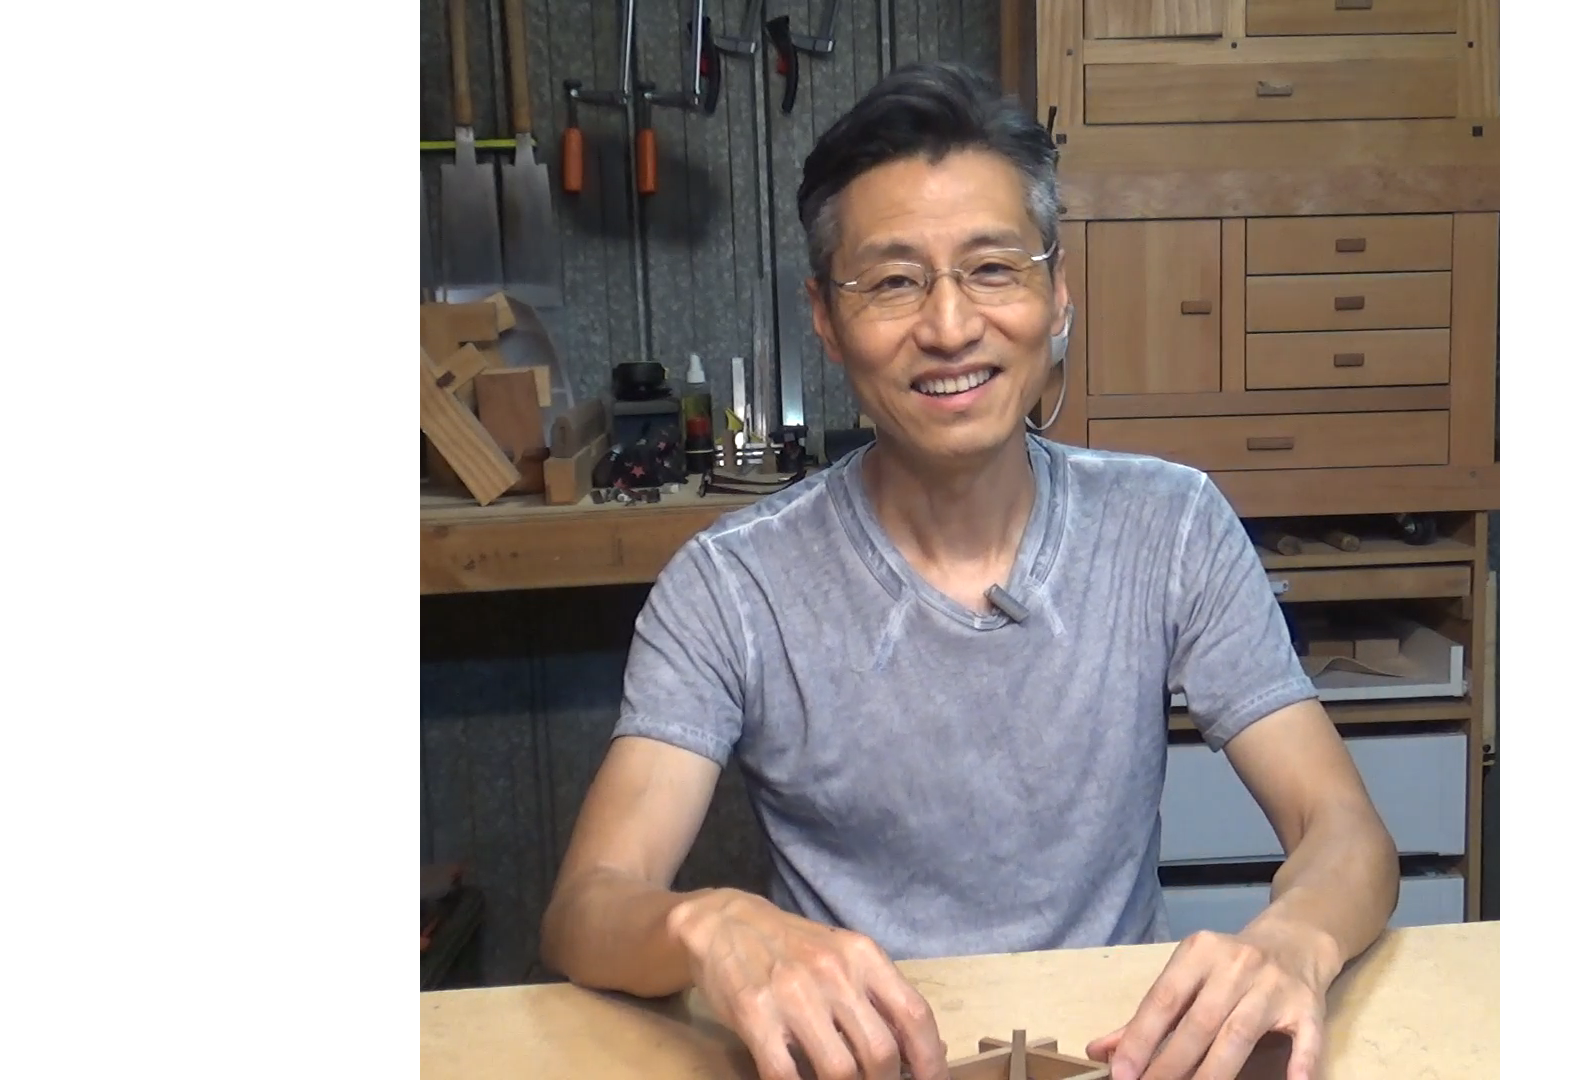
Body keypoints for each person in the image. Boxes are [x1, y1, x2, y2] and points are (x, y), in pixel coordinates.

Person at [540, 61, 1400, 1080]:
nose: (949, 328)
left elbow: (1343, 829)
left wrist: (1295, 938)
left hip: (1113, 1052)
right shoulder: (732, 586)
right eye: (892, 281)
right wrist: (707, 925)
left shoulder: (1169, 527)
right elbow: (587, 906)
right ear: (825, 317)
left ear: (1057, 291)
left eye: (993, 268)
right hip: (862, 1061)